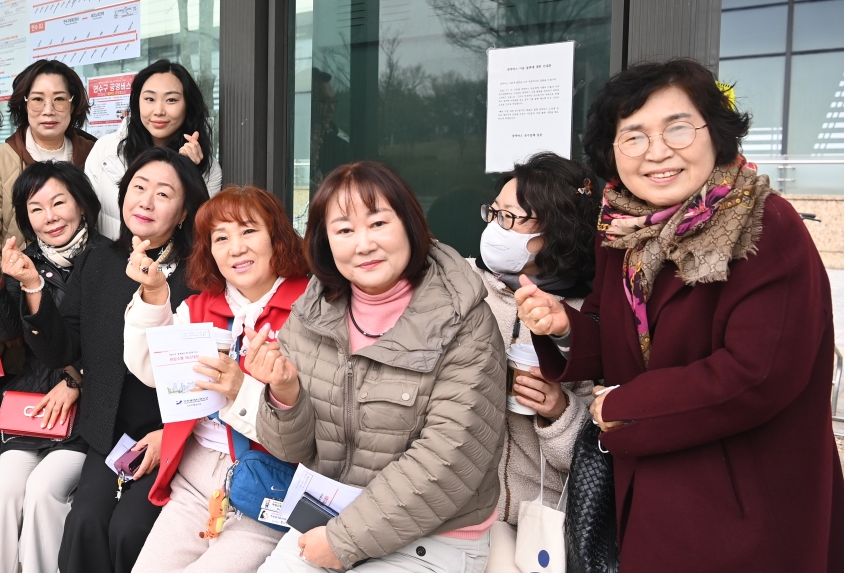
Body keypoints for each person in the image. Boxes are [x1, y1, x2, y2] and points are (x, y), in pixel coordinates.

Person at [516, 59, 844, 572]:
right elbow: (609, 334)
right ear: (612, 151)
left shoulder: (763, 225)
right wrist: (562, 328)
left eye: (678, 127)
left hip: (745, 508)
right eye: (634, 136)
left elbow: (758, 374)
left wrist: (629, 405)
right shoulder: (624, 232)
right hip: (650, 496)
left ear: (716, 132)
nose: (658, 151)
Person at [252, 161, 506, 572]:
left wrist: (343, 540)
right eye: (344, 230)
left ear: (409, 224)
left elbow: (448, 460)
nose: (363, 244)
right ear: (324, 242)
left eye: (377, 223)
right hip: (326, 521)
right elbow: (289, 450)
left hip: (432, 537)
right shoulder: (311, 313)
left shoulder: (465, 320)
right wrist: (284, 395)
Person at [25, 148, 210, 572]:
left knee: (130, 529)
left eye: (163, 194)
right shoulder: (99, 261)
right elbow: (63, 351)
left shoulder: (200, 275)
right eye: (138, 189)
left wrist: (172, 435)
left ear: (183, 212)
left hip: (174, 436)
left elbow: (205, 375)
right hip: (109, 431)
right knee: (86, 521)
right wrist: (33, 289)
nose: (145, 201)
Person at [122, 186, 311, 573]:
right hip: (195, 476)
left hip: (269, 482)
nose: (235, 248)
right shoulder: (199, 306)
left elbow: (317, 414)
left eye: (248, 231)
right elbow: (150, 370)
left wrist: (244, 388)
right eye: (220, 238)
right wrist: (155, 294)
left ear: (277, 236)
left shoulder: (310, 306)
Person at [0, 161, 99, 573]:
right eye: (36, 208)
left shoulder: (107, 259)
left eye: (59, 202)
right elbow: (5, 332)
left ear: (83, 206)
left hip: (89, 416)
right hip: (35, 410)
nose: (50, 216)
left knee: (43, 491)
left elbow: (118, 339)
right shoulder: (24, 260)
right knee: (0, 493)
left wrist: (78, 379)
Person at [468, 152, 598, 572]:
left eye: (511, 218)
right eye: (494, 212)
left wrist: (557, 412)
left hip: (544, 519)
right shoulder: (464, 286)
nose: (494, 227)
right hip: (463, 513)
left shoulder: (585, 315)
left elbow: (595, 453)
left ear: (555, 231)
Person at [85, 60, 221, 237]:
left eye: (171, 100)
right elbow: (86, 217)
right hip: (108, 262)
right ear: (137, 102)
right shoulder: (105, 149)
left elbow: (198, 234)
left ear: (188, 105)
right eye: (149, 99)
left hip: (166, 264)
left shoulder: (208, 168)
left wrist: (190, 173)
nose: (158, 111)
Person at [0, 59, 98, 257]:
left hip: (90, 277)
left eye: (59, 99)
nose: (48, 110)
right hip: (20, 279)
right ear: (24, 105)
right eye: (37, 99)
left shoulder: (94, 153)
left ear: (73, 103)